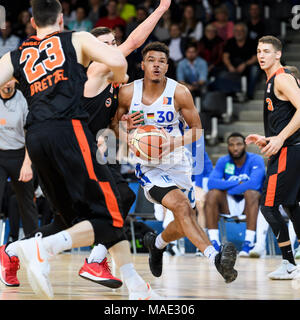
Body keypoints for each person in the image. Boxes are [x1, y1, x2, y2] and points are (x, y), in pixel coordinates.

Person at [0, 0, 130, 300]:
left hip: (34, 137)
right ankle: (42, 250)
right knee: (112, 212)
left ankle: (17, 250)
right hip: (68, 130)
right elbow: (119, 62)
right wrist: (120, 78)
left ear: (33, 22)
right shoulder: (77, 38)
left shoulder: (17, 54)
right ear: (61, 19)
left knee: (67, 217)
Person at [112, 41, 238, 284]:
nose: (156, 65)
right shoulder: (128, 92)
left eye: (161, 61)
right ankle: (215, 258)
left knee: (184, 219)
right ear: (143, 64)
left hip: (178, 161)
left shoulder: (179, 92)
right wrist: (127, 133)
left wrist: (173, 142)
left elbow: (197, 130)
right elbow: (112, 126)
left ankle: (156, 244)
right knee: (181, 208)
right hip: (149, 165)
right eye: (151, 60)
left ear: (167, 66)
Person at [77, 0, 171, 293]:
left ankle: (107, 266)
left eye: (112, 42)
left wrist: (120, 128)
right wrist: (160, 10)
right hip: (72, 149)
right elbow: (134, 41)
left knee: (116, 201)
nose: (112, 48)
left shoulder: (115, 81)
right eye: (104, 44)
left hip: (88, 149)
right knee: (117, 198)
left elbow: (108, 121)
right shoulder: (98, 69)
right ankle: (93, 258)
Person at [246, 35, 300, 280]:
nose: (261, 55)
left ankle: (289, 263)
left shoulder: (282, 78)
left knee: (268, 207)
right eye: (259, 51)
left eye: (267, 51)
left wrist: (279, 139)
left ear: (278, 54)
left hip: (289, 150)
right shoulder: (271, 80)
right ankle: (290, 263)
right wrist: (270, 138)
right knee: (291, 206)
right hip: (288, 148)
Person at [205, 132, 265, 257]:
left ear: (245, 146)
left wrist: (228, 187)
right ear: (227, 147)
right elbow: (211, 183)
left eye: (238, 144)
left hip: (250, 205)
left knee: (252, 193)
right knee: (212, 194)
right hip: (228, 202)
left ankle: (248, 242)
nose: (235, 148)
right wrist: (239, 182)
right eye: (231, 145)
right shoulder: (223, 161)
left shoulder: (256, 159)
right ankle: (214, 242)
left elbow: (255, 184)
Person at [0, 79, 39, 250]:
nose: (7, 84)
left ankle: (34, 246)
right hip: (0, 153)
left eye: (10, 80)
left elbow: (31, 133)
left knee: (26, 202)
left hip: (20, 154)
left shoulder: (23, 100)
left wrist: (27, 163)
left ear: (15, 81)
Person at [216, 22, 260, 100]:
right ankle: (231, 95)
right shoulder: (230, 42)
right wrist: (230, 66)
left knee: (255, 70)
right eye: (236, 31)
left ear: (245, 32)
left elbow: (255, 57)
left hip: (247, 66)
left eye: (241, 31)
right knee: (221, 74)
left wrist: (245, 64)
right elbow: (225, 57)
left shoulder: (251, 42)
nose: (238, 33)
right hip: (232, 66)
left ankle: (249, 94)